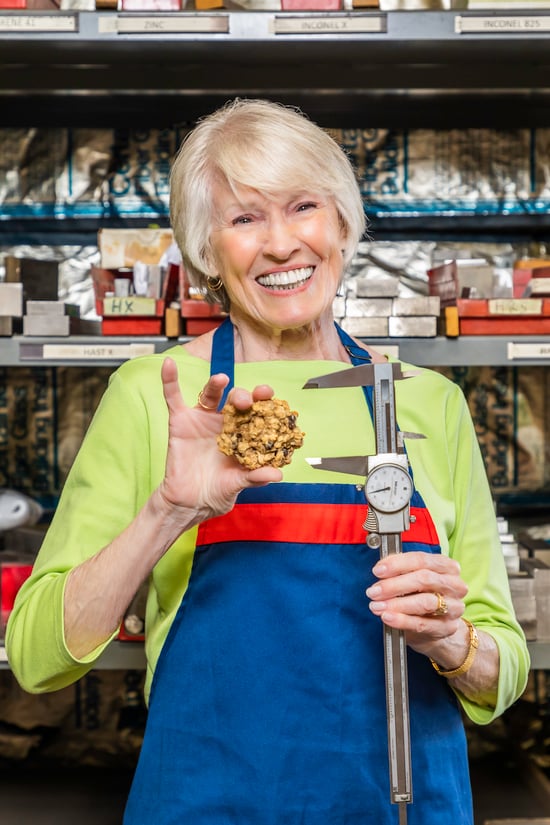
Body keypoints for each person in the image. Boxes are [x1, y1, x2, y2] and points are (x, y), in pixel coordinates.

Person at [6, 98, 529, 824]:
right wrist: (169, 511)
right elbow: (36, 656)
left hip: (402, 806)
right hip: (207, 802)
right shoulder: (154, 397)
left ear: (342, 224)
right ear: (206, 251)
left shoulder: (428, 403)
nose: (282, 244)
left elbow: (503, 672)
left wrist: (451, 639)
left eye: (303, 206)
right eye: (244, 218)